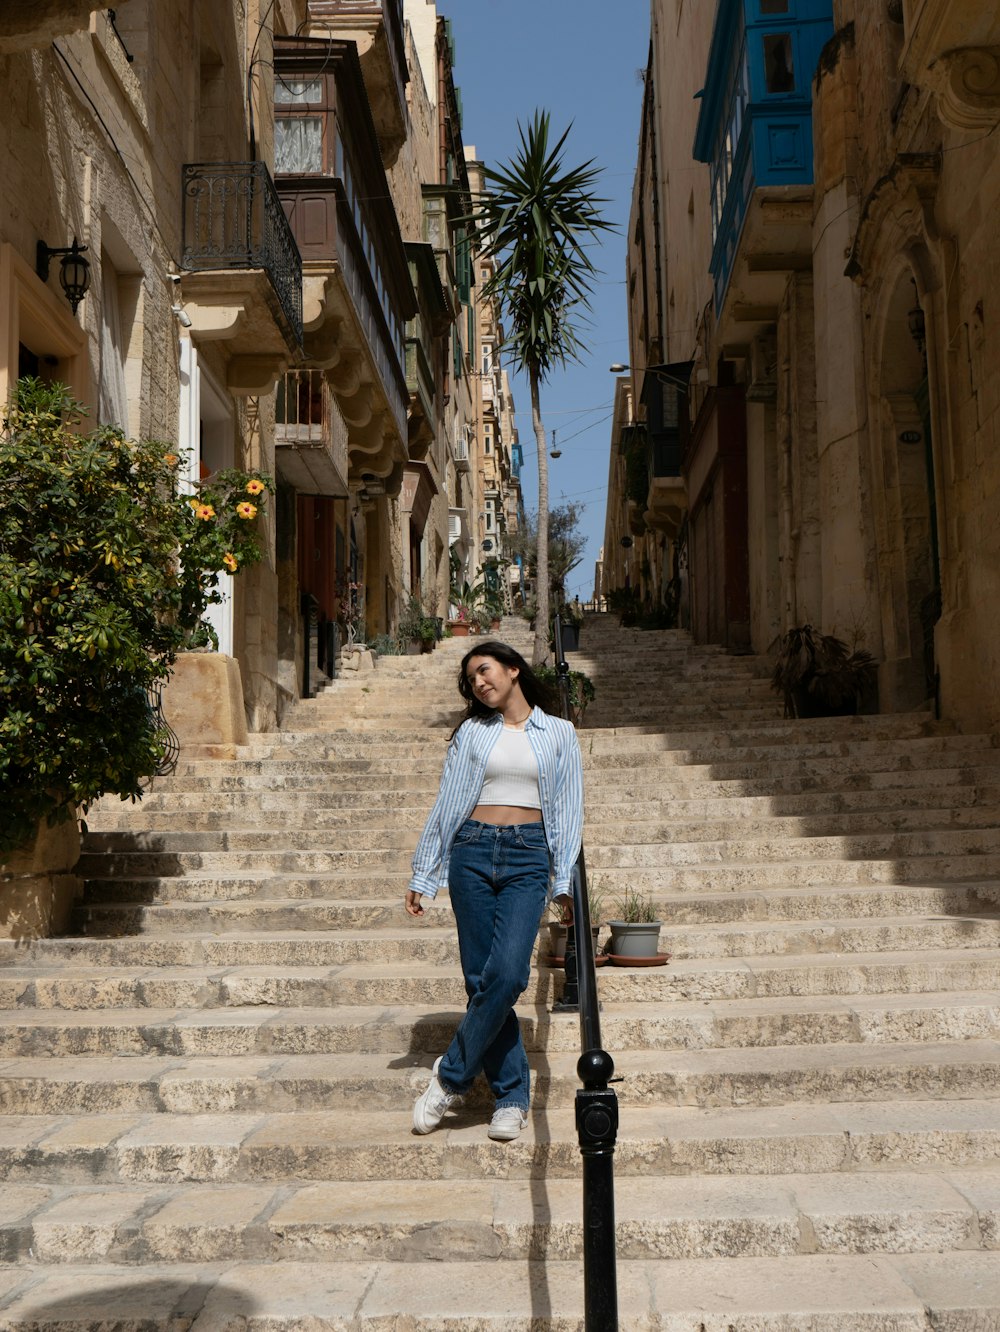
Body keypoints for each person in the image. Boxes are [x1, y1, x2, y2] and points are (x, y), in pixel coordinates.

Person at [405, 640, 584, 1141]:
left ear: (512, 669)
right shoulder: (471, 734)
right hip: (472, 851)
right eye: (471, 680)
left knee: (506, 975)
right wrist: (424, 872)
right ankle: (510, 1098)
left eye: (484, 671)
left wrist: (565, 881)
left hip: (530, 856)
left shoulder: (560, 733)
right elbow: (448, 804)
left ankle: (449, 1077)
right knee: (479, 977)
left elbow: (569, 811)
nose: (479, 683)